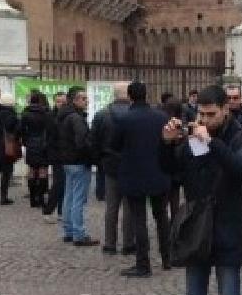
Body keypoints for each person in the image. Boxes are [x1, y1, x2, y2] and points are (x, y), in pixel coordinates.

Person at [160, 85, 242, 295]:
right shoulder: (194, 134)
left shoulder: (240, 135)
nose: (204, 120)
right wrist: (167, 144)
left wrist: (212, 143)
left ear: (225, 109)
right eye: (200, 114)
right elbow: (171, 170)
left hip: (228, 228)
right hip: (197, 228)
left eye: (210, 114)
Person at [113, 81, 171, 277]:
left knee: (139, 220)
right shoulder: (162, 117)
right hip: (159, 172)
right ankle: (167, 257)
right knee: (161, 216)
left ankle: (143, 264)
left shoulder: (124, 119)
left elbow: (115, 144)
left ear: (130, 96)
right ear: (147, 95)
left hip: (134, 174)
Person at [90, 82, 135, 255]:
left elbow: (93, 141)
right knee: (129, 206)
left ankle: (110, 243)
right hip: (131, 165)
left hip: (109, 165)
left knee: (111, 206)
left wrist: (99, 161)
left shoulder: (101, 115)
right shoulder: (134, 114)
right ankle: (128, 243)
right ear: (129, 95)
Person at [57, 87, 97, 246]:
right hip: (78, 161)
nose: (86, 101)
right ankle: (79, 234)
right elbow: (83, 142)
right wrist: (90, 155)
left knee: (69, 197)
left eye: (86, 98)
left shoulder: (64, 115)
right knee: (78, 199)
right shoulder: (76, 118)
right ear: (74, 100)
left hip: (67, 161)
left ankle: (69, 231)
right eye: (83, 98)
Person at [21, 91, 53, 209]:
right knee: (43, 171)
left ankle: (32, 199)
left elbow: (21, 130)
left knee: (32, 170)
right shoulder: (46, 113)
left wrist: (26, 142)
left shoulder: (25, 113)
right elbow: (50, 130)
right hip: (43, 144)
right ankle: (41, 198)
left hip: (31, 144)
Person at [43, 92, 67, 223]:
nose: (61, 104)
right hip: (56, 154)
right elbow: (51, 137)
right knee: (58, 183)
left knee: (64, 183)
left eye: (63, 102)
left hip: (65, 154)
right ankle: (48, 210)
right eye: (58, 101)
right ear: (54, 102)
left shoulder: (67, 115)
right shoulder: (50, 116)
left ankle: (61, 211)